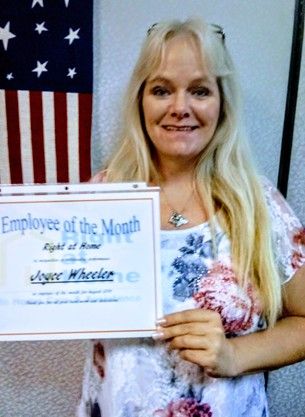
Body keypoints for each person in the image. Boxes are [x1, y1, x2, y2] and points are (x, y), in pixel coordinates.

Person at [77, 18, 305, 417]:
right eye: (162, 90)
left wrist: (234, 354)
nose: (179, 108)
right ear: (140, 101)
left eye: (199, 90)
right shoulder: (102, 195)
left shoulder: (258, 203)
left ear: (222, 102)